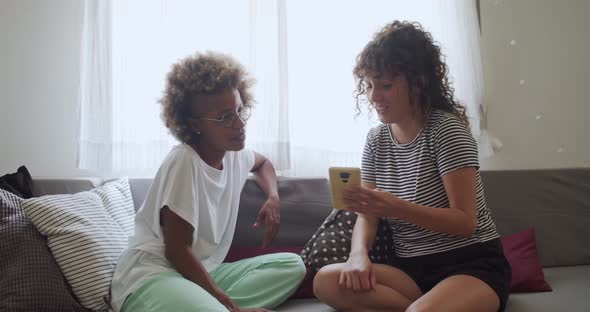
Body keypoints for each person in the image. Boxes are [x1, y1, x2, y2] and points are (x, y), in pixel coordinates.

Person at [312, 21, 511, 312]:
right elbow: (367, 213)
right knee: (325, 281)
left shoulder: (446, 131)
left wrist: (397, 207)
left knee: (420, 311)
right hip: (410, 271)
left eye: (386, 85)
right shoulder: (376, 140)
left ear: (418, 82)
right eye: (368, 85)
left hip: (470, 265)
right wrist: (358, 256)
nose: (373, 97)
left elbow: (465, 223)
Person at [110, 52, 306, 312]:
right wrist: (229, 305)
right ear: (194, 123)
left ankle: (206, 304)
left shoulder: (235, 154)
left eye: (239, 110)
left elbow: (262, 164)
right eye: (225, 117)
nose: (239, 124)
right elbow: (177, 251)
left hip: (202, 274)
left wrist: (273, 198)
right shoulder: (184, 161)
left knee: (292, 265)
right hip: (153, 276)